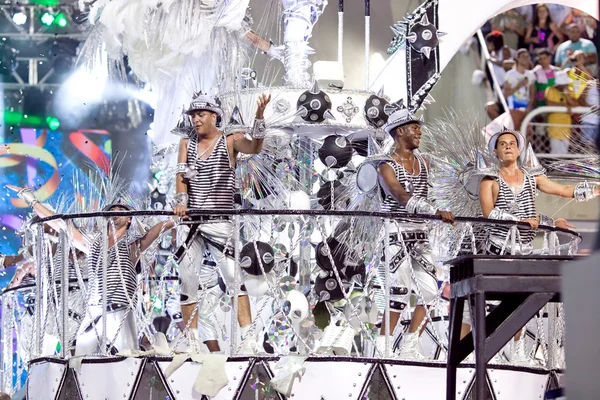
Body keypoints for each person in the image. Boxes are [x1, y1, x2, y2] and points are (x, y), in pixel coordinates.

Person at [7, 185, 176, 355]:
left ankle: (155, 344)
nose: (116, 211)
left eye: (121, 210)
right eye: (112, 209)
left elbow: (160, 228)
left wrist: (177, 216)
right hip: (94, 313)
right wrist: (32, 200)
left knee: (129, 361)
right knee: (79, 362)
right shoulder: (93, 244)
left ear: (130, 219)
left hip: (119, 311)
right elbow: (59, 224)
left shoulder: (133, 246)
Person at [479, 128, 599, 362]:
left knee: (521, 304)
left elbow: (563, 190)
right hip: (498, 248)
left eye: (512, 143)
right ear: (495, 151)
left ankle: (517, 354)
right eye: (502, 144)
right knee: (497, 305)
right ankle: (492, 354)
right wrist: (523, 221)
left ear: (519, 148)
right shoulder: (489, 179)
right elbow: (488, 213)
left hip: (523, 249)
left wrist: (593, 190)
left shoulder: (531, 176)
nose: (508, 146)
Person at [173, 92, 271, 354]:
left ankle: (248, 338)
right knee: (188, 279)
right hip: (191, 220)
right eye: (193, 115)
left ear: (214, 116)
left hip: (220, 220)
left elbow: (255, 148)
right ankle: (192, 340)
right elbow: (181, 175)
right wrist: (180, 201)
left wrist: (259, 118)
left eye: (201, 115)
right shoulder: (186, 143)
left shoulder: (230, 139)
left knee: (233, 277)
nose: (195, 120)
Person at [376, 108, 454, 360]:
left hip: (420, 233)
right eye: (414, 127)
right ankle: (383, 348)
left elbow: (428, 193)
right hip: (395, 231)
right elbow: (400, 195)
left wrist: (436, 211)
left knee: (431, 292)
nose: (419, 131)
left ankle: (410, 345)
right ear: (400, 131)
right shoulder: (385, 166)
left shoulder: (424, 163)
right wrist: (433, 210)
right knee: (398, 292)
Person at [545, 70, 577, 154]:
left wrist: (566, 94)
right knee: (554, 153)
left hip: (566, 126)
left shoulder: (569, 90)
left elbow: (573, 104)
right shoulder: (550, 89)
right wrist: (563, 104)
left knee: (564, 153)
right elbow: (549, 104)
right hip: (554, 125)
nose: (566, 84)